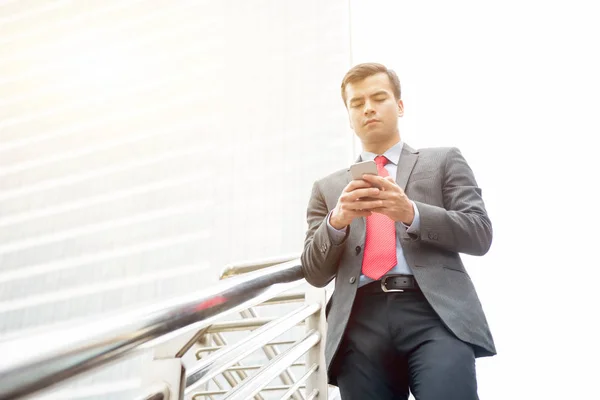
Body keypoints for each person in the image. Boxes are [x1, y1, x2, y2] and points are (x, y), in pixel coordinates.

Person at [300, 62, 495, 400]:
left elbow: (479, 232)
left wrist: (412, 212)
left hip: (435, 313)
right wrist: (338, 221)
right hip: (357, 323)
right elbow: (314, 273)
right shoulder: (327, 189)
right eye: (357, 103)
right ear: (349, 116)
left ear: (400, 105)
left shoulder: (444, 160)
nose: (368, 108)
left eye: (378, 98)